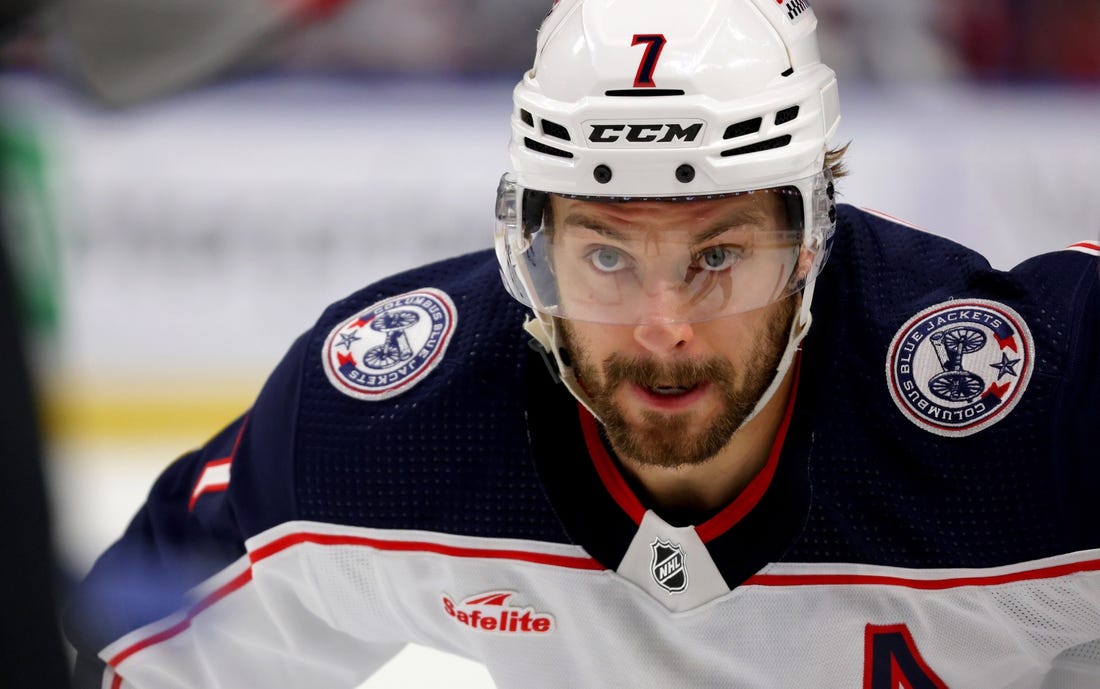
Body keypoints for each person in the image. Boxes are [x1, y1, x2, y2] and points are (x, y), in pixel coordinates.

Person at [64, 0, 1100, 687]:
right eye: (604, 255)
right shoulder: (381, 421)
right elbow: (133, 631)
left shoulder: (1040, 408)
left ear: (812, 237)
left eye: (718, 251)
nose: (661, 324)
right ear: (534, 240)